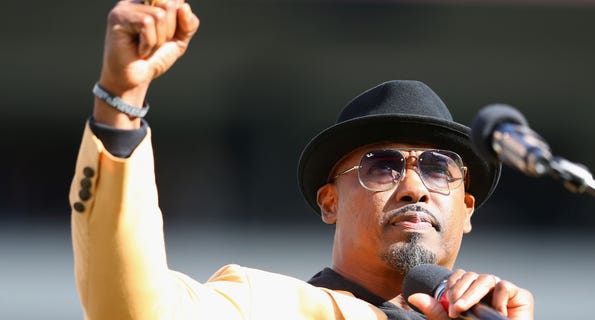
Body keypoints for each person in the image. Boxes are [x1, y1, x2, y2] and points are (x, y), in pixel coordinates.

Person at [69, 0, 534, 319]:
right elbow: (130, 309)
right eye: (381, 165)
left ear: (467, 209)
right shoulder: (267, 306)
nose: (415, 187)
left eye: (436, 167)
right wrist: (121, 102)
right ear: (329, 202)